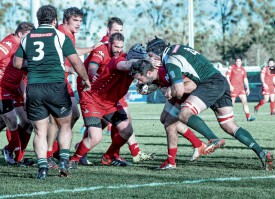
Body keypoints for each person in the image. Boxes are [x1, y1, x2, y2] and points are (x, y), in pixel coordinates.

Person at [130, 38, 273, 170]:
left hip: (209, 83)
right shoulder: (176, 49)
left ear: (157, 52)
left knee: (184, 113)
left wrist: (169, 90)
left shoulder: (170, 60)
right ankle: (261, 152)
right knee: (229, 125)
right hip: (220, 81)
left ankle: (212, 138)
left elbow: (179, 92)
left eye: (150, 55)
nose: (150, 59)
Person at [13, 5, 91, 179]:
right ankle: (63, 160)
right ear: (55, 20)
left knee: (40, 131)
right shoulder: (59, 35)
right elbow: (76, 62)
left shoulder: (27, 38)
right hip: (55, 86)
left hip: (34, 87)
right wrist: (85, 79)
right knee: (64, 123)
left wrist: (33, 65)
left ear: (38, 20)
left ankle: (42, 169)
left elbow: (17, 63)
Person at [76, 32, 155, 164]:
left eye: (121, 47)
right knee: (95, 136)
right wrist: (92, 74)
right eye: (116, 47)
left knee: (126, 129)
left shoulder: (124, 57)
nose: (118, 50)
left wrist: (148, 80)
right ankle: (73, 158)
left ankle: (109, 156)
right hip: (93, 97)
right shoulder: (114, 57)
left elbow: (142, 74)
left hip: (110, 100)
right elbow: (96, 66)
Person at [47, 7, 100, 168]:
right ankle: (49, 154)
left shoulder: (69, 34)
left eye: (80, 21)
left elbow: (72, 52)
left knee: (73, 115)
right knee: (53, 121)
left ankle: (56, 150)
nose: (78, 24)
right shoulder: (62, 32)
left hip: (64, 81)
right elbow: (72, 54)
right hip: (54, 81)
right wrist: (91, 48)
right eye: (75, 20)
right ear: (65, 20)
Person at [136, 67, 213, 169]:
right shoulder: (152, 71)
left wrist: (171, 89)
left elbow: (191, 85)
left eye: (140, 79)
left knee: (169, 124)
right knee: (164, 119)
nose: (139, 81)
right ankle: (198, 144)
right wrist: (148, 86)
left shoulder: (166, 69)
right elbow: (159, 83)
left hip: (185, 95)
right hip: (175, 95)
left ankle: (171, 162)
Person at [0, 22, 35, 165]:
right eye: (29, 37)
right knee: (12, 120)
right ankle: (17, 157)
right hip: (2, 90)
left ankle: (13, 151)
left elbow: (19, 74)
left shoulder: (22, 49)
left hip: (14, 90)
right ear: (21, 34)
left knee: (27, 121)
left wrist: (25, 94)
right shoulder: (7, 44)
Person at [226, 57, 256, 121]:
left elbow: (245, 79)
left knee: (245, 102)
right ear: (235, 62)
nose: (238, 62)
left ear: (241, 62)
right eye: (237, 61)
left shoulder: (243, 69)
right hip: (233, 88)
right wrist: (230, 85)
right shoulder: (231, 67)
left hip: (241, 89)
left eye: (239, 61)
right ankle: (228, 117)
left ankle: (248, 117)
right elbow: (227, 77)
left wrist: (247, 88)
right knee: (231, 104)